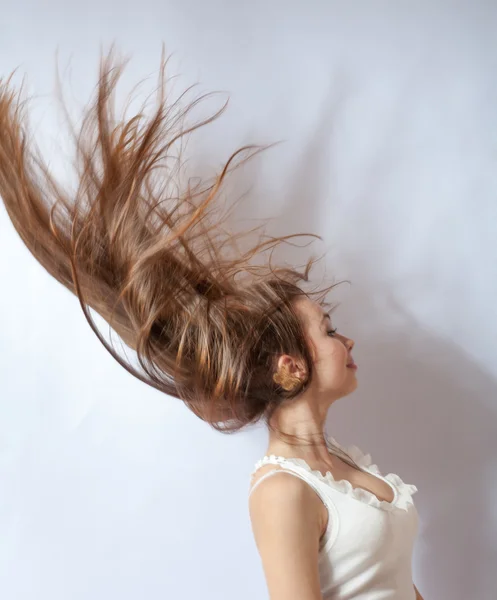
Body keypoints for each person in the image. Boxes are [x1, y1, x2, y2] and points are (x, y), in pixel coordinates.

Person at [0, 46, 423, 599]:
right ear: (292, 365)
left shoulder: (339, 461)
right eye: (329, 330)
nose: (347, 340)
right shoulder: (281, 491)